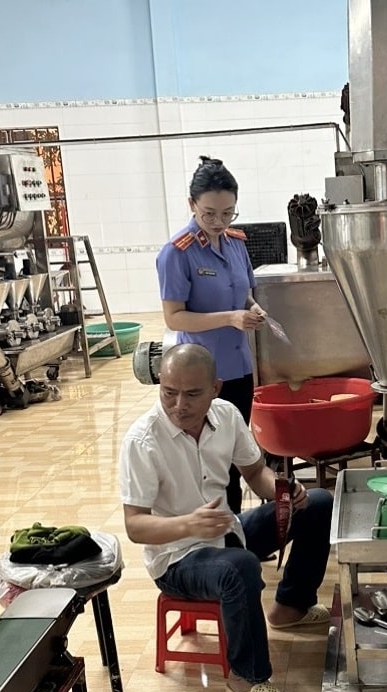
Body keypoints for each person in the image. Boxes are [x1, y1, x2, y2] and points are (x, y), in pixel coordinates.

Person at [119, 344, 333, 692]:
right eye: (169, 392)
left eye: (192, 394)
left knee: (318, 503)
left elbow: (255, 473)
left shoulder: (227, 415)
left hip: (225, 532)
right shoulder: (143, 440)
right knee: (240, 566)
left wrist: (283, 491)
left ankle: (290, 607)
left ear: (215, 388)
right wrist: (190, 525)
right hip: (177, 558)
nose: (178, 405)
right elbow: (135, 526)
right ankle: (246, 678)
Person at [156, 156, 264, 515]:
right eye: (210, 214)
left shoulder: (235, 243)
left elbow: (244, 293)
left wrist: (252, 308)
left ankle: (235, 529)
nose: (219, 222)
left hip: (239, 369)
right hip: (201, 376)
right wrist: (231, 318)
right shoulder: (177, 253)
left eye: (228, 213)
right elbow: (174, 317)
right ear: (192, 205)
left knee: (236, 455)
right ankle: (211, 530)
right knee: (209, 462)